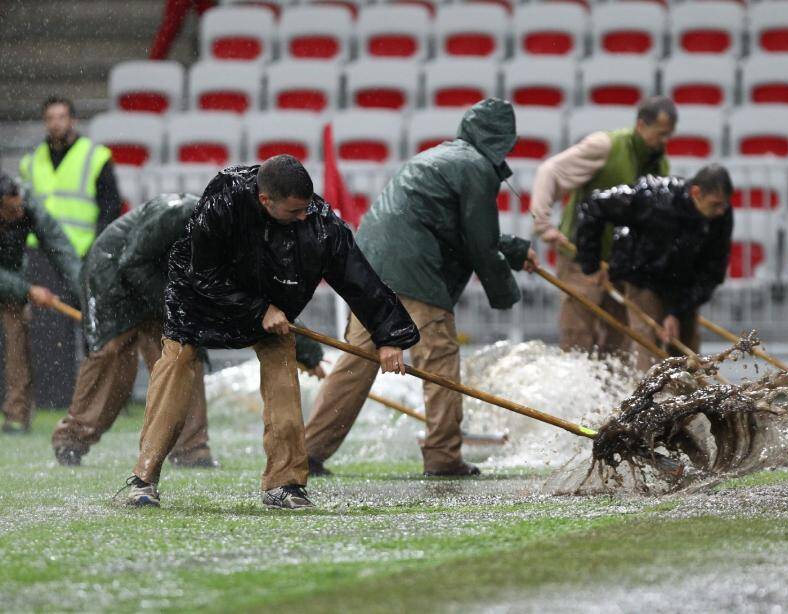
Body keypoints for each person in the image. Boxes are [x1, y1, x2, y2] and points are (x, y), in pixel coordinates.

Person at [119, 155, 419, 509]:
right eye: (294, 212)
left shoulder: (321, 224)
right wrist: (258, 308)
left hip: (271, 306)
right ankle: (143, 478)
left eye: (307, 208)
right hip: (200, 299)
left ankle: (285, 483)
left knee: (283, 380)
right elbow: (203, 273)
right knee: (176, 369)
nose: (304, 217)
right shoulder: (222, 205)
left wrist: (389, 337)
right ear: (266, 200)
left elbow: (359, 280)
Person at [304, 98, 539, 478]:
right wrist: (506, 295)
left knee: (356, 363)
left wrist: (514, 251)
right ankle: (444, 455)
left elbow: (454, 229)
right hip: (412, 271)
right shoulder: (476, 167)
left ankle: (308, 451)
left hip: (369, 262)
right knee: (440, 358)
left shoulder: (440, 157)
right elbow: (478, 242)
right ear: (502, 140)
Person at [51, 194, 216, 468]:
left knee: (184, 354)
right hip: (113, 273)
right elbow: (132, 262)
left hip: (158, 283)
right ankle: (72, 438)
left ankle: (191, 447)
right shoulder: (176, 214)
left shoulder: (229, 231)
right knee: (111, 356)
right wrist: (172, 306)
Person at [530, 97, 677, 354]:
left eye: (669, 135)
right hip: (580, 260)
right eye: (661, 133)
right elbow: (550, 171)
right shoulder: (604, 146)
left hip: (622, 265)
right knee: (577, 337)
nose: (665, 141)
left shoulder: (661, 165)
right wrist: (543, 225)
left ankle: (613, 395)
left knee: (619, 341)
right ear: (641, 125)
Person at [575, 164, 734, 372]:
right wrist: (590, 264)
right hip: (641, 277)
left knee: (687, 353)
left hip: (684, 285)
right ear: (696, 192)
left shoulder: (721, 216)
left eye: (724, 206)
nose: (721, 211)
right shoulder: (653, 196)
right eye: (715, 205)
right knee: (648, 346)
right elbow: (593, 205)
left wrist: (677, 311)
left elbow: (713, 271)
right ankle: (647, 397)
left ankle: (684, 401)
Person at [0, 173, 81, 433]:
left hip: (11, 284)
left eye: (20, 205)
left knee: (16, 345)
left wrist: (85, 293)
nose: (19, 212)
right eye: (12, 210)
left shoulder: (28, 208)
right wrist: (27, 289)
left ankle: (16, 415)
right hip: (14, 282)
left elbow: (62, 249)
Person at [19, 96, 122, 258]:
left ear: (73, 120)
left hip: (80, 248)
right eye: (50, 118)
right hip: (39, 250)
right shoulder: (30, 162)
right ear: (44, 122)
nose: (55, 123)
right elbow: (22, 210)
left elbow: (110, 206)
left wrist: (97, 246)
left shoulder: (95, 156)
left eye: (61, 117)